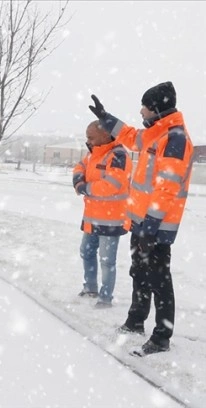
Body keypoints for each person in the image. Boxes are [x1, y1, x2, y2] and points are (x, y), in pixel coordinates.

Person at [89, 81, 194, 355]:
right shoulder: (155, 134)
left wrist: (151, 225)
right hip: (141, 222)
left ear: (157, 109)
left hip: (156, 226)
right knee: (139, 273)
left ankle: (161, 337)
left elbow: (167, 186)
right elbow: (130, 136)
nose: (141, 111)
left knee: (159, 279)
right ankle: (135, 321)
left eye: (145, 107)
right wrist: (106, 118)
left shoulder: (175, 139)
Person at [72, 121, 132, 308]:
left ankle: (105, 298)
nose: (87, 141)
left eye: (91, 137)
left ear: (105, 135)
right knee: (86, 252)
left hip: (111, 219)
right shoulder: (94, 154)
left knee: (107, 260)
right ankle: (90, 288)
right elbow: (78, 168)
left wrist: (85, 188)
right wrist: (78, 181)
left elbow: (110, 185)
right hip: (92, 216)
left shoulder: (118, 156)